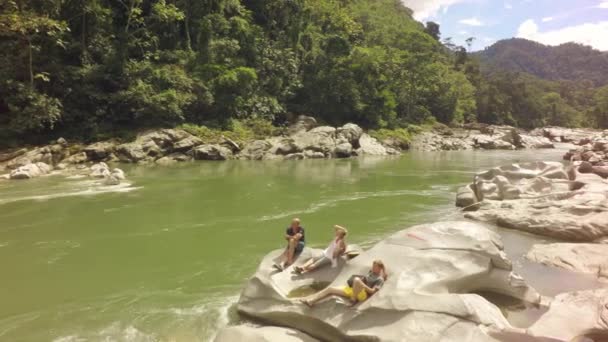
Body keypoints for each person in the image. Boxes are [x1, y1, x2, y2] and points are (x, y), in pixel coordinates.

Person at [300, 260, 387, 307]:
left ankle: (353, 300)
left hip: (362, 295)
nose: (372, 268)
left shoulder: (380, 279)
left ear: (380, 268)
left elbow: (372, 291)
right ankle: (311, 301)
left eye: (375, 267)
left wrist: (362, 284)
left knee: (357, 280)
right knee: (330, 289)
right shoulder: (371, 272)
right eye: (373, 266)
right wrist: (361, 281)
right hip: (354, 290)